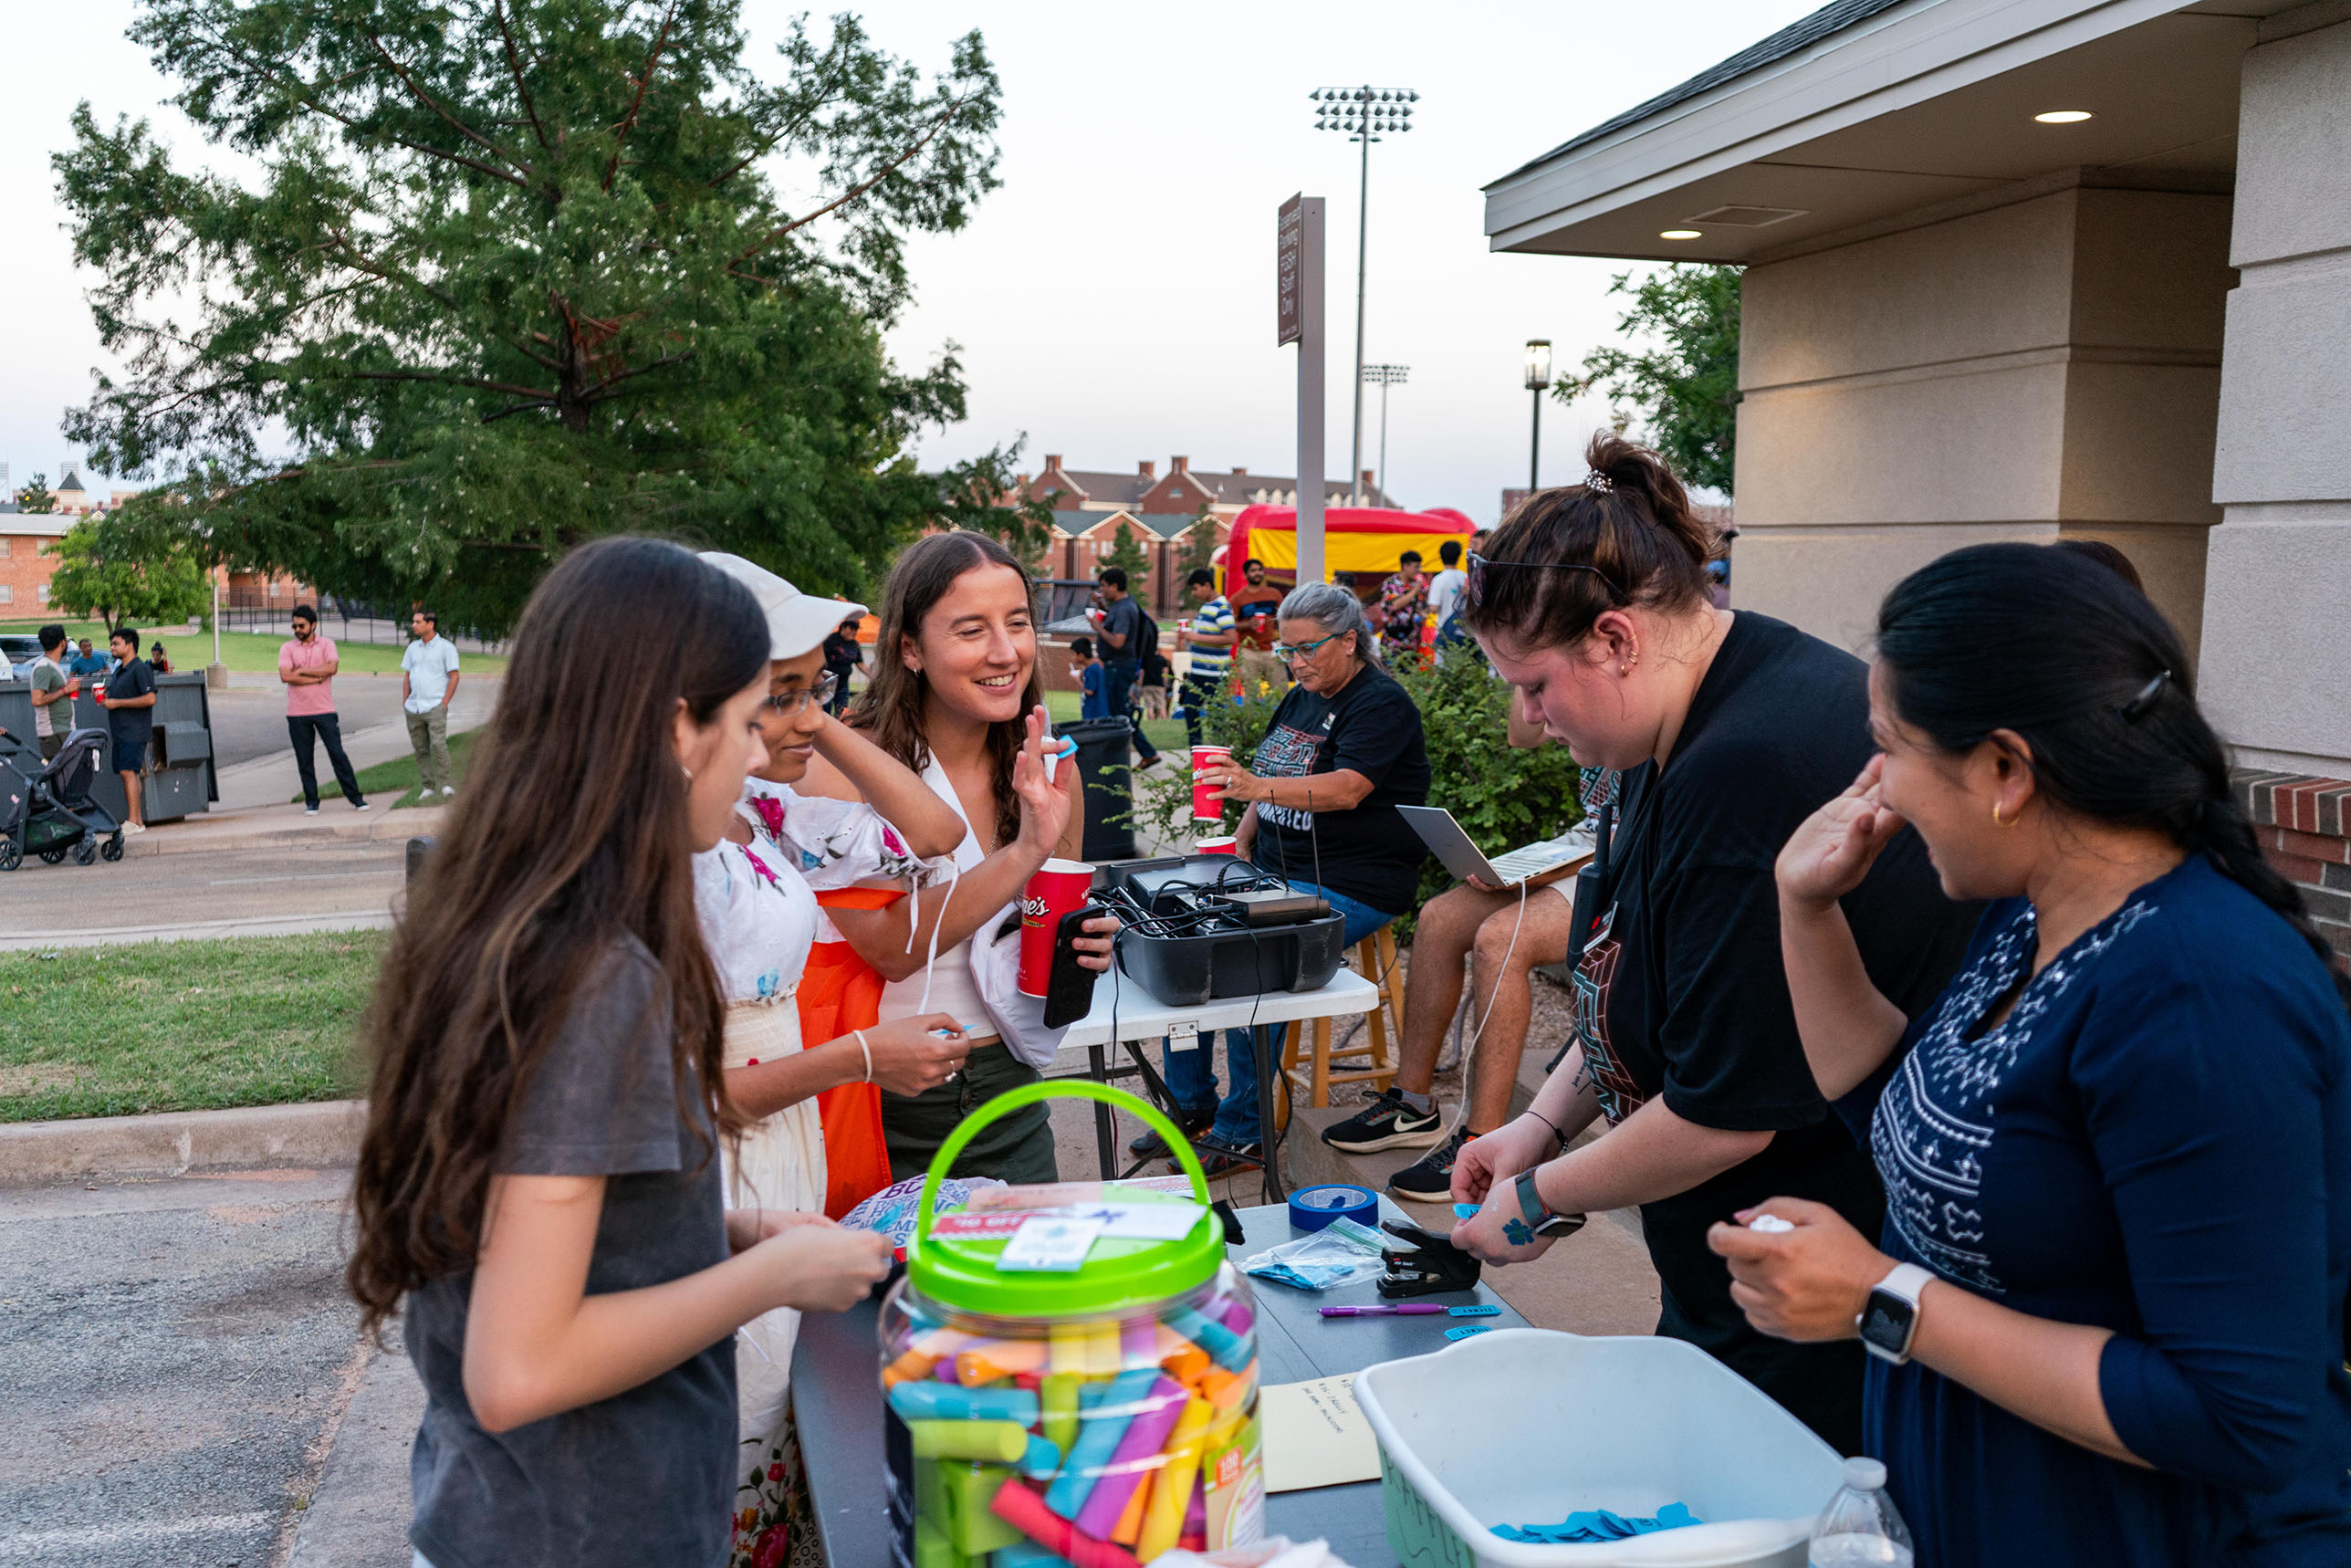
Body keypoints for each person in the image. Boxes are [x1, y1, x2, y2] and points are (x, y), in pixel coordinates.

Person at [1714, 543, 2351, 1565]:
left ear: (2004, 769)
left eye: (1888, 745)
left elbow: (2237, 1412)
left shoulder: (2198, 991)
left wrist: (1884, 1298)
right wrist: (1803, 906)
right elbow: (1908, 1118)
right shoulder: (2028, 913)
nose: (1874, 784)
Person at [346, 538, 894, 1568]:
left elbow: (538, 1209)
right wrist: (774, 1271)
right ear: (671, 729)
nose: (749, 754)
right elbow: (520, 1363)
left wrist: (724, 1224)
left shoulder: (533, 922)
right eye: (740, 721)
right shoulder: (594, 976)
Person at [1442, 433, 1977, 1456]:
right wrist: (1542, 1124)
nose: (1524, 721)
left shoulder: (1747, 764)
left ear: (1613, 639)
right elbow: (1633, 965)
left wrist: (1533, 1198)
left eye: (1533, 685)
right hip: (1738, 1256)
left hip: (1814, 1261)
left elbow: (1723, 1113)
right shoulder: (1674, 716)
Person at [688, 553, 969, 1552]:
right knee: (731, 1408)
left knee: (784, 1399)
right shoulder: (665, 857)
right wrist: (859, 1057)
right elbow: (687, 1093)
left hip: (782, 1138)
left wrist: (806, 716)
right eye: (785, 691)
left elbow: (936, 832)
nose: (814, 714)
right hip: (726, 1146)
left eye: (825, 684)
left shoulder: (765, 819)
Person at [810, 529, 1118, 1185]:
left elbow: (1044, 925)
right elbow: (892, 949)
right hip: (880, 1096)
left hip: (1011, 1091)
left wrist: (1082, 946)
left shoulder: (1048, 768)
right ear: (911, 649)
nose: (1005, 653)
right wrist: (1026, 849)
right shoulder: (843, 768)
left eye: (1018, 623)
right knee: (894, 1287)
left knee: (1030, 1286)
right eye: (971, 630)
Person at [1169, 581, 1433, 1175]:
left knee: (1244, 962)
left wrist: (1253, 788)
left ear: (1348, 640)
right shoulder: (1301, 696)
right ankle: (1187, 1108)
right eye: (1289, 650)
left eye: (1308, 649)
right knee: (1177, 934)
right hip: (1274, 871)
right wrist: (1239, 841)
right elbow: (1270, 772)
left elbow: (1347, 789)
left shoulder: (1381, 703)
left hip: (1354, 883)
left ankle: (1245, 1131)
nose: (1297, 662)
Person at [1321, 715, 1594, 1202]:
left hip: (1632, 857)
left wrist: (1531, 873)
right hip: (1583, 841)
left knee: (1499, 939)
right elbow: (1521, 733)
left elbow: (1634, 837)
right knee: (1440, 918)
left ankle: (1483, 1143)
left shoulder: (1646, 697)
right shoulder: (1566, 674)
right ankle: (1411, 1105)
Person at [278, 604, 371, 815]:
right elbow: (286, 676)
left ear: (313, 625)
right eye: (294, 626)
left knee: (337, 754)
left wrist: (302, 671)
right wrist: (318, 676)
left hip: (325, 710)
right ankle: (312, 802)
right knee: (304, 759)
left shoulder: (327, 644)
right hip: (297, 713)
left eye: (301, 625)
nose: (297, 630)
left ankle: (356, 799)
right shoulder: (287, 648)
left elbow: (332, 668)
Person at [1089, 566, 1162, 768]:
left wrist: (1098, 628)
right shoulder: (1125, 605)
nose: (1102, 590)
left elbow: (1118, 641)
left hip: (1119, 666)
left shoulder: (1124, 609)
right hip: (1120, 666)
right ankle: (1145, 752)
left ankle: (1132, 754)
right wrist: (1102, 605)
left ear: (1114, 585)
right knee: (1120, 712)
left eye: (1104, 586)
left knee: (1119, 714)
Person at [99, 627, 157, 834]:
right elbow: (117, 697)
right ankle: (138, 821)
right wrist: (106, 698)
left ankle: (132, 821)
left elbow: (150, 698)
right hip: (120, 731)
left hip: (134, 730)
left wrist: (118, 703)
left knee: (128, 771)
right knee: (129, 773)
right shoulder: (119, 670)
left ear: (130, 645)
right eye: (112, 644)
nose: (112, 647)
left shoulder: (140, 669)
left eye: (116, 643)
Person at [401, 609, 463, 799]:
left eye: (418, 622)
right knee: (420, 749)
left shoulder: (446, 648)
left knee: (438, 745)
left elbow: (454, 677)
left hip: (435, 706)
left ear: (430, 624)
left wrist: (444, 702)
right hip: (414, 708)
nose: (414, 625)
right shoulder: (412, 648)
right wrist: (405, 702)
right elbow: (407, 675)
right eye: (413, 622)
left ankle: (446, 785)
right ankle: (428, 786)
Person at [1175, 567, 1237, 747]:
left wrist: (1195, 637)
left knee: (1216, 714)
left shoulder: (1221, 607)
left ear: (1207, 585)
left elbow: (1230, 638)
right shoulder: (1206, 607)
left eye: (1196, 588)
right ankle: (1196, 748)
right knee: (1189, 707)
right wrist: (1188, 636)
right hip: (1198, 671)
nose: (1194, 593)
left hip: (1214, 673)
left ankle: (1220, 748)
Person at [27, 625, 78, 763]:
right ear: (62, 642)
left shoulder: (52, 665)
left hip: (63, 730)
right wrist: (65, 691)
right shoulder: (44, 667)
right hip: (55, 732)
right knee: (65, 779)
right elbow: (37, 700)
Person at [1376, 550, 1429, 660]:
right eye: (1416, 567)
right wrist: (1415, 590)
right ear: (1405, 566)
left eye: (1420, 567)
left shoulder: (1418, 585)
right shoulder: (1391, 583)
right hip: (1393, 642)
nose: (1419, 570)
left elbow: (1426, 605)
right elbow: (1394, 605)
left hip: (1412, 642)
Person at [1228, 558, 1283, 651]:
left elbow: (1284, 618)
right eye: (1253, 570)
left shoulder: (1274, 594)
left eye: (1260, 570)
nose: (1258, 573)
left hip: (1271, 649)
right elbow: (1229, 625)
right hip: (1248, 651)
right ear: (1245, 575)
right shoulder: (1237, 599)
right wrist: (1248, 624)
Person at [1426, 538, 1468, 653]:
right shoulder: (1465, 578)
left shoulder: (1438, 580)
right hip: (1463, 632)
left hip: (1445, 633)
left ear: (1441, 556)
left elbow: (1434, 608)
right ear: (1458, 557)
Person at [821, 612, 864, 716]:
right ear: (844, 627)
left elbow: (860, 664)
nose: (854, 632)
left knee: (842, 713)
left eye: (856, 630)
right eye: (851, 628)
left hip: (843, 685)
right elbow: (819, 660)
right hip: (827, 684)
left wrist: (874, 676)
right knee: (825, 714)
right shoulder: (831, 640)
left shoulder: (854, 645)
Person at [1070, 636, 1109, 721]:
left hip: (1095, 713)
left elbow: (1089, 691)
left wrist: (1077, 680)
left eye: (1073, 654)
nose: (1072, 657)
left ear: (1081, 656)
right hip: (1093, 712)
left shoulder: (1092, 669)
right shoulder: (1090, 668)